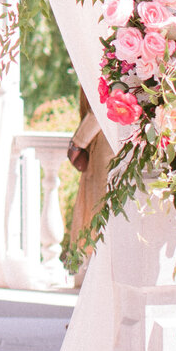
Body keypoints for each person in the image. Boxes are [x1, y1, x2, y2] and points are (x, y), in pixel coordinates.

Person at [66, 87, 113, 289]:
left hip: (107, 145)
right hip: (101, 143)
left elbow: (107, 100)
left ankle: (100, 307)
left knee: (103, 223)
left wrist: (78, 143)